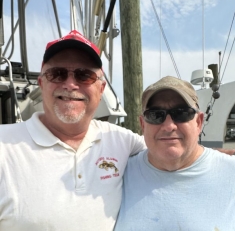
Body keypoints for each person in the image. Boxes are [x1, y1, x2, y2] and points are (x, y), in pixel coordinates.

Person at [0, 30, 146, 231]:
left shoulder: (122, 140)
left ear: (101, 89)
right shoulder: (4, 147)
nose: (70, 84)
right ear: (41, 84)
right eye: (57, 74)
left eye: (84, 75)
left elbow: (175, 156)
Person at [114, 76, 235, 231]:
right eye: (155, 115)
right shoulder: (119, 174)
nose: (169, 126)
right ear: (143, 125)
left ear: (198, 122)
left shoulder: (231, 173)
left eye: (182, 113)